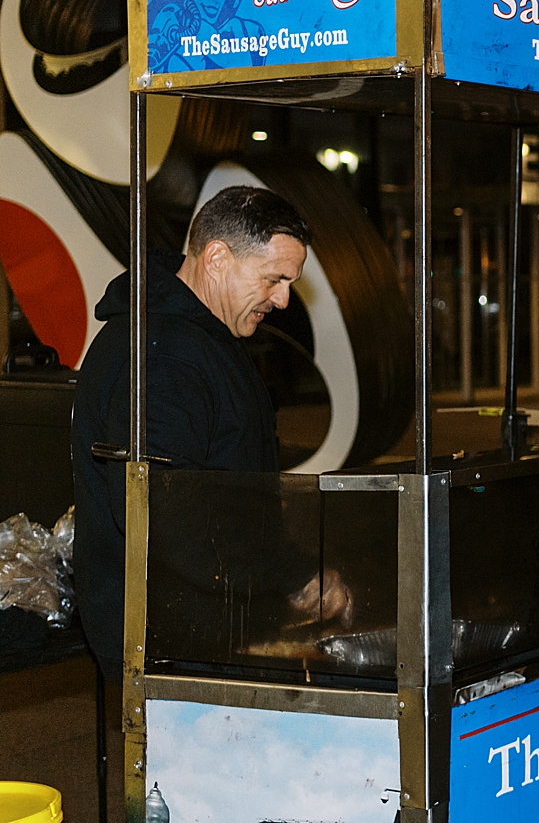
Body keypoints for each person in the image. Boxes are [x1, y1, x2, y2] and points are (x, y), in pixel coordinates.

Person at [73, 185, 354, 687]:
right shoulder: (164, 355)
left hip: (200, 615)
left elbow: (223, 485)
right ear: (218, 258)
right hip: (169, 630)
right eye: (273, 278)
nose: (283, 299)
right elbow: (165, 509)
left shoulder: (194, 336)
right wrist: (289, 574)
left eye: (290, 282)